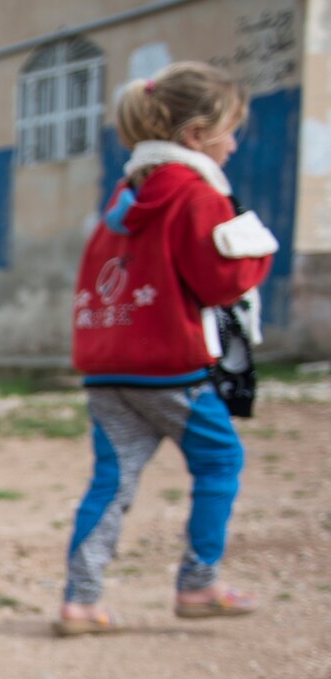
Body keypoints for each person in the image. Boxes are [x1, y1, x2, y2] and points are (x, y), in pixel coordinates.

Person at [57, 61, 275, 636]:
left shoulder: (125, 196)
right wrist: (259, 254)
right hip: (172, 368)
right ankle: (199, 584)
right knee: (220, 460)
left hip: (108, 366)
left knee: (112, 481)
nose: (233, 145)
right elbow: (220, 282)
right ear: (195, 136)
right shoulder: (198, 194)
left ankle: (80, 601)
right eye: (229, 131)